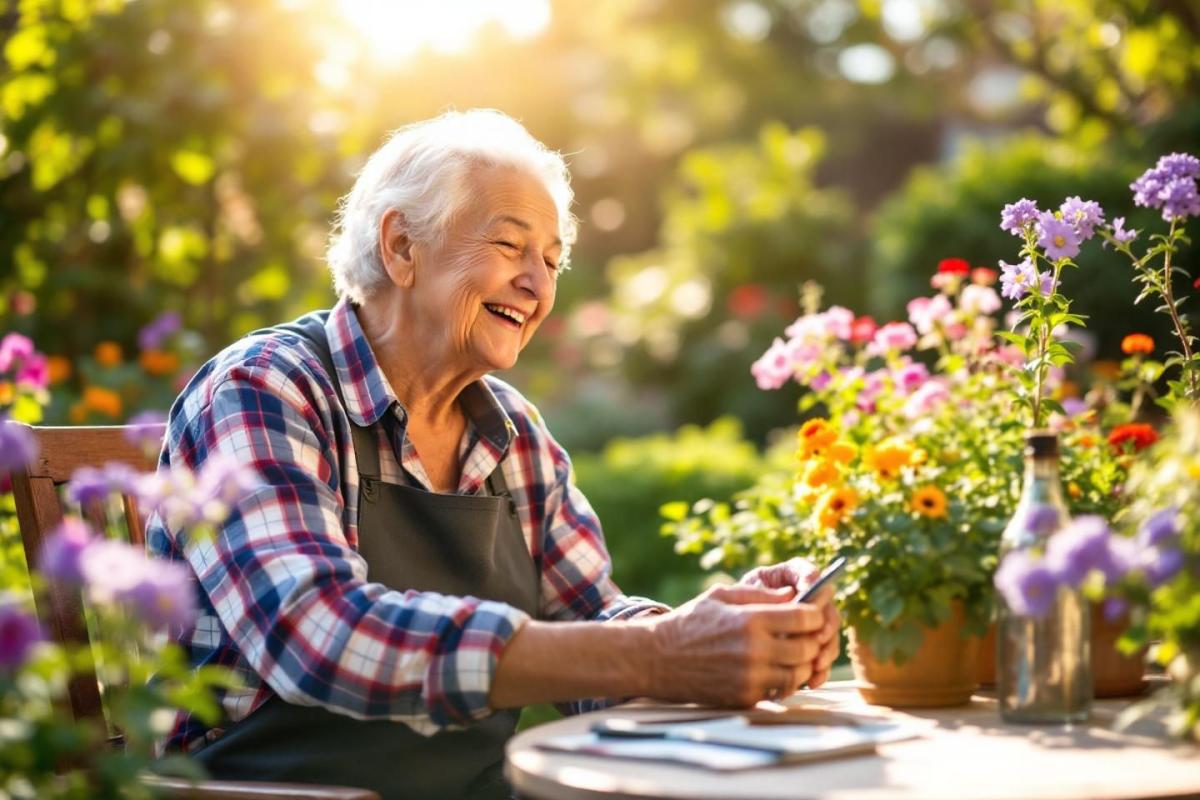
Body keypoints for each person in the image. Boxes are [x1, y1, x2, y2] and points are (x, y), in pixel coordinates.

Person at [147, 109, 841, 800]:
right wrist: (663, 651)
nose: (539, 286)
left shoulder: (513, 431)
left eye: (551, 260)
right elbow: (315, 634)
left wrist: (723, 632)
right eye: (512, 247)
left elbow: (591, 624)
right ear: (402, 247)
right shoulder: (263, 389)